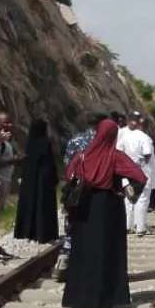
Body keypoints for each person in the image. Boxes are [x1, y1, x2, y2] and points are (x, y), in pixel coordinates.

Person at [62, 119, 148, 308]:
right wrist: (125, 190)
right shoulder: (115, 157)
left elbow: (69, 175)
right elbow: (139, 176)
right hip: (107, 208)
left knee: (82, 252)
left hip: (83, 208)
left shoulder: (82, 156)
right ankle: (103, 300)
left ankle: (78, 299)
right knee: (104, 252)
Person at [53, 111, 109, 281]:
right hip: (96, 190)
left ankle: (64, 259)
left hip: (75, 188)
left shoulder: (75, 140)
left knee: (72, 225)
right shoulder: (104, 142)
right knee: (92, 228)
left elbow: (66, 164)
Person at [14, 118, 59, 243]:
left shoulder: (30, 143)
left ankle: (28, 233)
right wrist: (54, 179)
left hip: (30, 181)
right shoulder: (45, 142)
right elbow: (49, 163)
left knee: (31, 205)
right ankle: (44, 234)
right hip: (44, 182)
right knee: (43, 206)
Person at [0, 112, 22, 261]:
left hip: (4, 180)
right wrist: (13, 161)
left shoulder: (4, 140)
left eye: (10, 122)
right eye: (5, 123)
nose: (8, 125)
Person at [118, 115, 155, 236]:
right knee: (142, 200)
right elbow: (147, 153)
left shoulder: (126, 137)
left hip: (127, 172)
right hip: (142, 173)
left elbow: (118, 151)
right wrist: (139, 162)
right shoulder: (145, 138)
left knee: (128, 198)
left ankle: (127, 226)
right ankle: (140, 227)